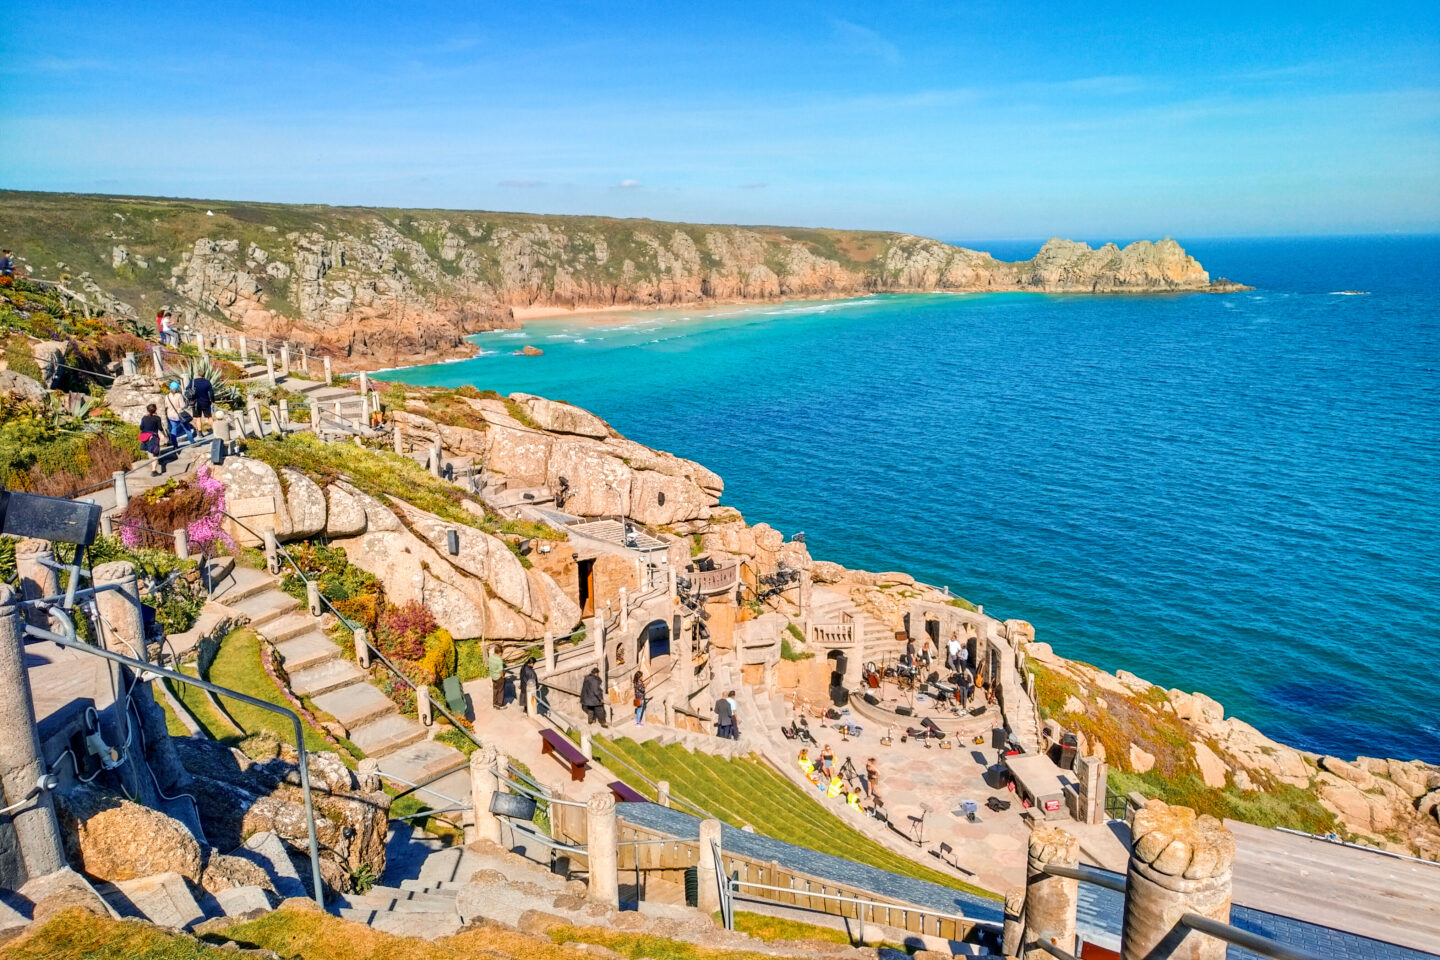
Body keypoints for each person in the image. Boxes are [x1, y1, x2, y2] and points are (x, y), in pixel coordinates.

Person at [163, 382, 195, 446]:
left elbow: (166, 406)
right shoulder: (179, 395)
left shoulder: (167, 396)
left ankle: (175, 445)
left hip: (171, 415)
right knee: (187, 428)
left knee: (173, 430)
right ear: (177, 388)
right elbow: (182, 405)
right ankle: (192, 442)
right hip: (179, 415)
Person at [139, 403, 164, 475]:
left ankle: (154, 465)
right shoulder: (157, 418)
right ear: (155, 410)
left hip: (145, 436)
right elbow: (160, 428)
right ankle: (153, 470)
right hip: (153, 437)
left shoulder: (144, 418)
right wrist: (165, 436)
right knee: (155, 454)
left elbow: (141, 427)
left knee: (151, 451)